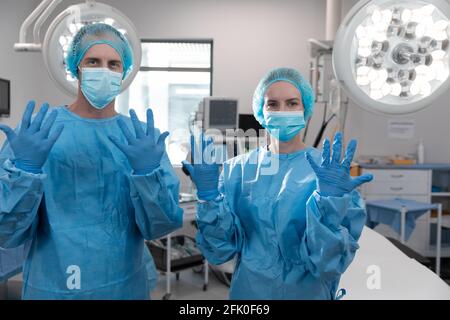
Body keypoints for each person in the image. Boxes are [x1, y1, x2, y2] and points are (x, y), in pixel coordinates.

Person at [0, 23, 183, 299]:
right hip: (54, 288)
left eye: (114, 64)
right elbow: (6, 234)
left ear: (124, 73)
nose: (104, 70)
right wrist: (24, 174)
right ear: (76, 67)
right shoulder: (39, 136)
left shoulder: (141, 139)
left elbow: (161, 226)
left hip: (123, 285)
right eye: (93, 61)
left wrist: (149, 175)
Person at [182, 67, 373, 299]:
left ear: (306, 109)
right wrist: (209, 197)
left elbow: (327, 265)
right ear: (260, 112)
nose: (282, 110)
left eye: (292, 103)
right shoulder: (237, 170)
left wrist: (330, 206)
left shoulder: (327, 174)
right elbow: (220, 250)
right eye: (273, 104)